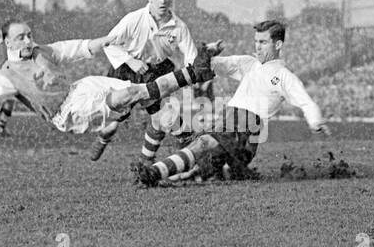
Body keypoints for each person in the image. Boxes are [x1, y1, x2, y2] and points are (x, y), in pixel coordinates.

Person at [134, 20, 330, 186]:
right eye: (256, 41)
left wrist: (316, 123)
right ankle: (202, 173)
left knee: (202, 144)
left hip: (247, 126)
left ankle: (153, 173)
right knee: (204, 167)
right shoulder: (248, 63)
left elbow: (306, 102)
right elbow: (209, 66)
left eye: (263, 42)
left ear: (278, 45)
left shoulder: (284, 76)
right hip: (230, 123)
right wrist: (208, 53)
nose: (257, 47)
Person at [0, 20, 220, 146]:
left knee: (137, 91)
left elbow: (79, 47)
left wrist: (109, 38)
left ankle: (185, 120)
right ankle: (192, 75)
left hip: (80, 88)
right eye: (20, 37)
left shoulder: (43, 50)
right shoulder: (5, 75)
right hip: (67, 113)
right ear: (8, 42)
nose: (27, 40)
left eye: (29, 35)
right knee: (127, 97)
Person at [87, 0, 199, 163]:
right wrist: (131, 61)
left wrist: (194, 69)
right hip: (126, 70)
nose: (162, 1)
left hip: (154, 73)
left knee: (163, 117)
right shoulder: (134, 19)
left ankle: (158, 157)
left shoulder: (179, 27)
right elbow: (109, 43)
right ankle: (104, 136)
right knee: (112, 124)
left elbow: (191, 56)